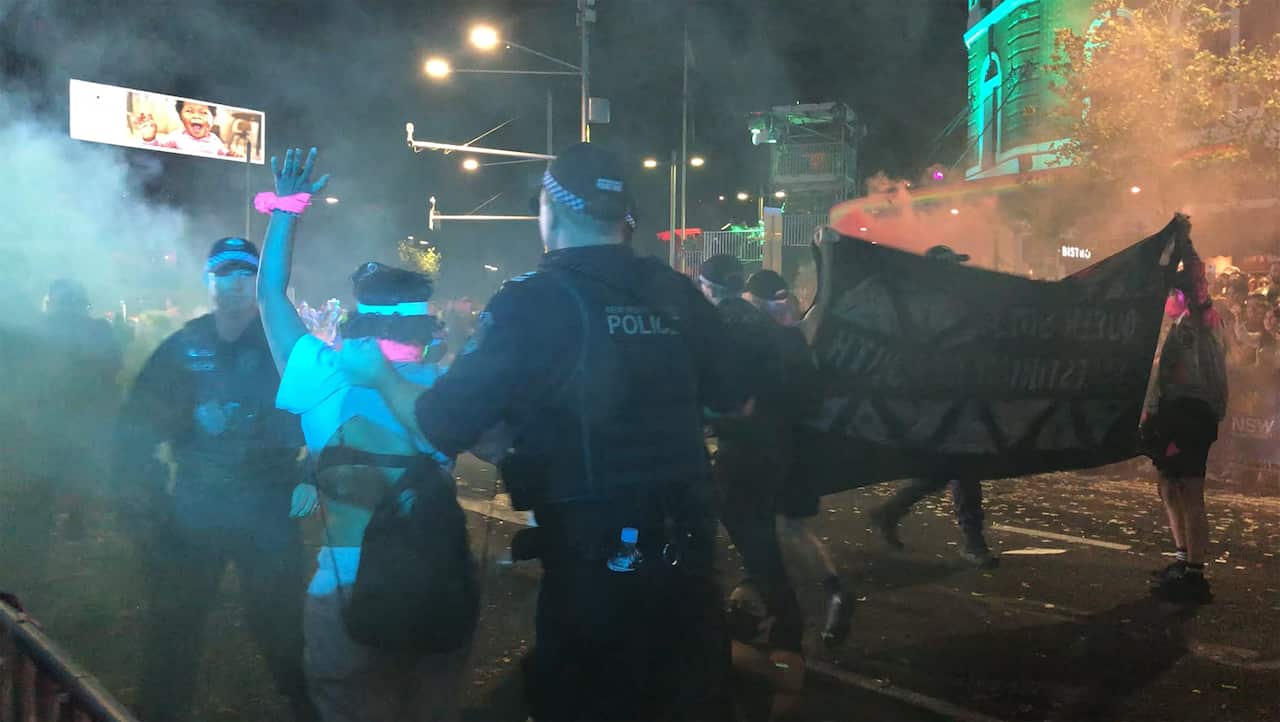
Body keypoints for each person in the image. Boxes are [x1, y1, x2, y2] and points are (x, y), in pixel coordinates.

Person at [339, 142, 749, 721]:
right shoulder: (673, 291)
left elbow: (439, 423)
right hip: (691, 552)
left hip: (593, 562)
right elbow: (737, 399)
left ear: (549, 211)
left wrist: (379, 374)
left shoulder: (532, 301)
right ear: (623, 216)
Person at [255, 148, 469, 721]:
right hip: (439, 584)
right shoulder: (445, 389)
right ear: (426, 329)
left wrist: (287, 209)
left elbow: (270, 298)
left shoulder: (322, 377)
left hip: (345, 588)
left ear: (356, 324)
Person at [112, 236, 315, 721]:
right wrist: (150, 504)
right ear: (208, 282)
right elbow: (134, 431)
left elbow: (326, 418)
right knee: (173, 630)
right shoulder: (183, 347)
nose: (234, 286)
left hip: (268, 509)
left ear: (259, 283)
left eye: (245, 274)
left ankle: (311, 711)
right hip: (194, 509)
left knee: (285, 631)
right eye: (223, 275)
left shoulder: (284, 348)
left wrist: (311, 472)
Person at [867, 245, 997, 569]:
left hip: (961, 395)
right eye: (953, 266)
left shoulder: (958, 302)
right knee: (963, 467)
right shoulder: (921, 307)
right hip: (937, 399)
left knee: (952, 468)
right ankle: (973, 541)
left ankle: (892, 511)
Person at [1144, 236, 1228, 605]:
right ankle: (1182, 559)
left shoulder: (1202, 317)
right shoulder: (1174, 326)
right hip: (1170, 412)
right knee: (1168, 484)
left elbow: (1195, 279)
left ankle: (1195, 573)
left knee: (1190, 491)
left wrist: (1185, 242)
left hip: (1192, 412)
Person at [150, 100, 240, 158]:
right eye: (189, 111)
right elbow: (157, 150)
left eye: (204, 112)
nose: (196, 116)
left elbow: (224, 153)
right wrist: (149, 138)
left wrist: (230, 155)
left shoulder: (215, 140)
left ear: (214, 118)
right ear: (180, 116)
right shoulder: (176, 137)